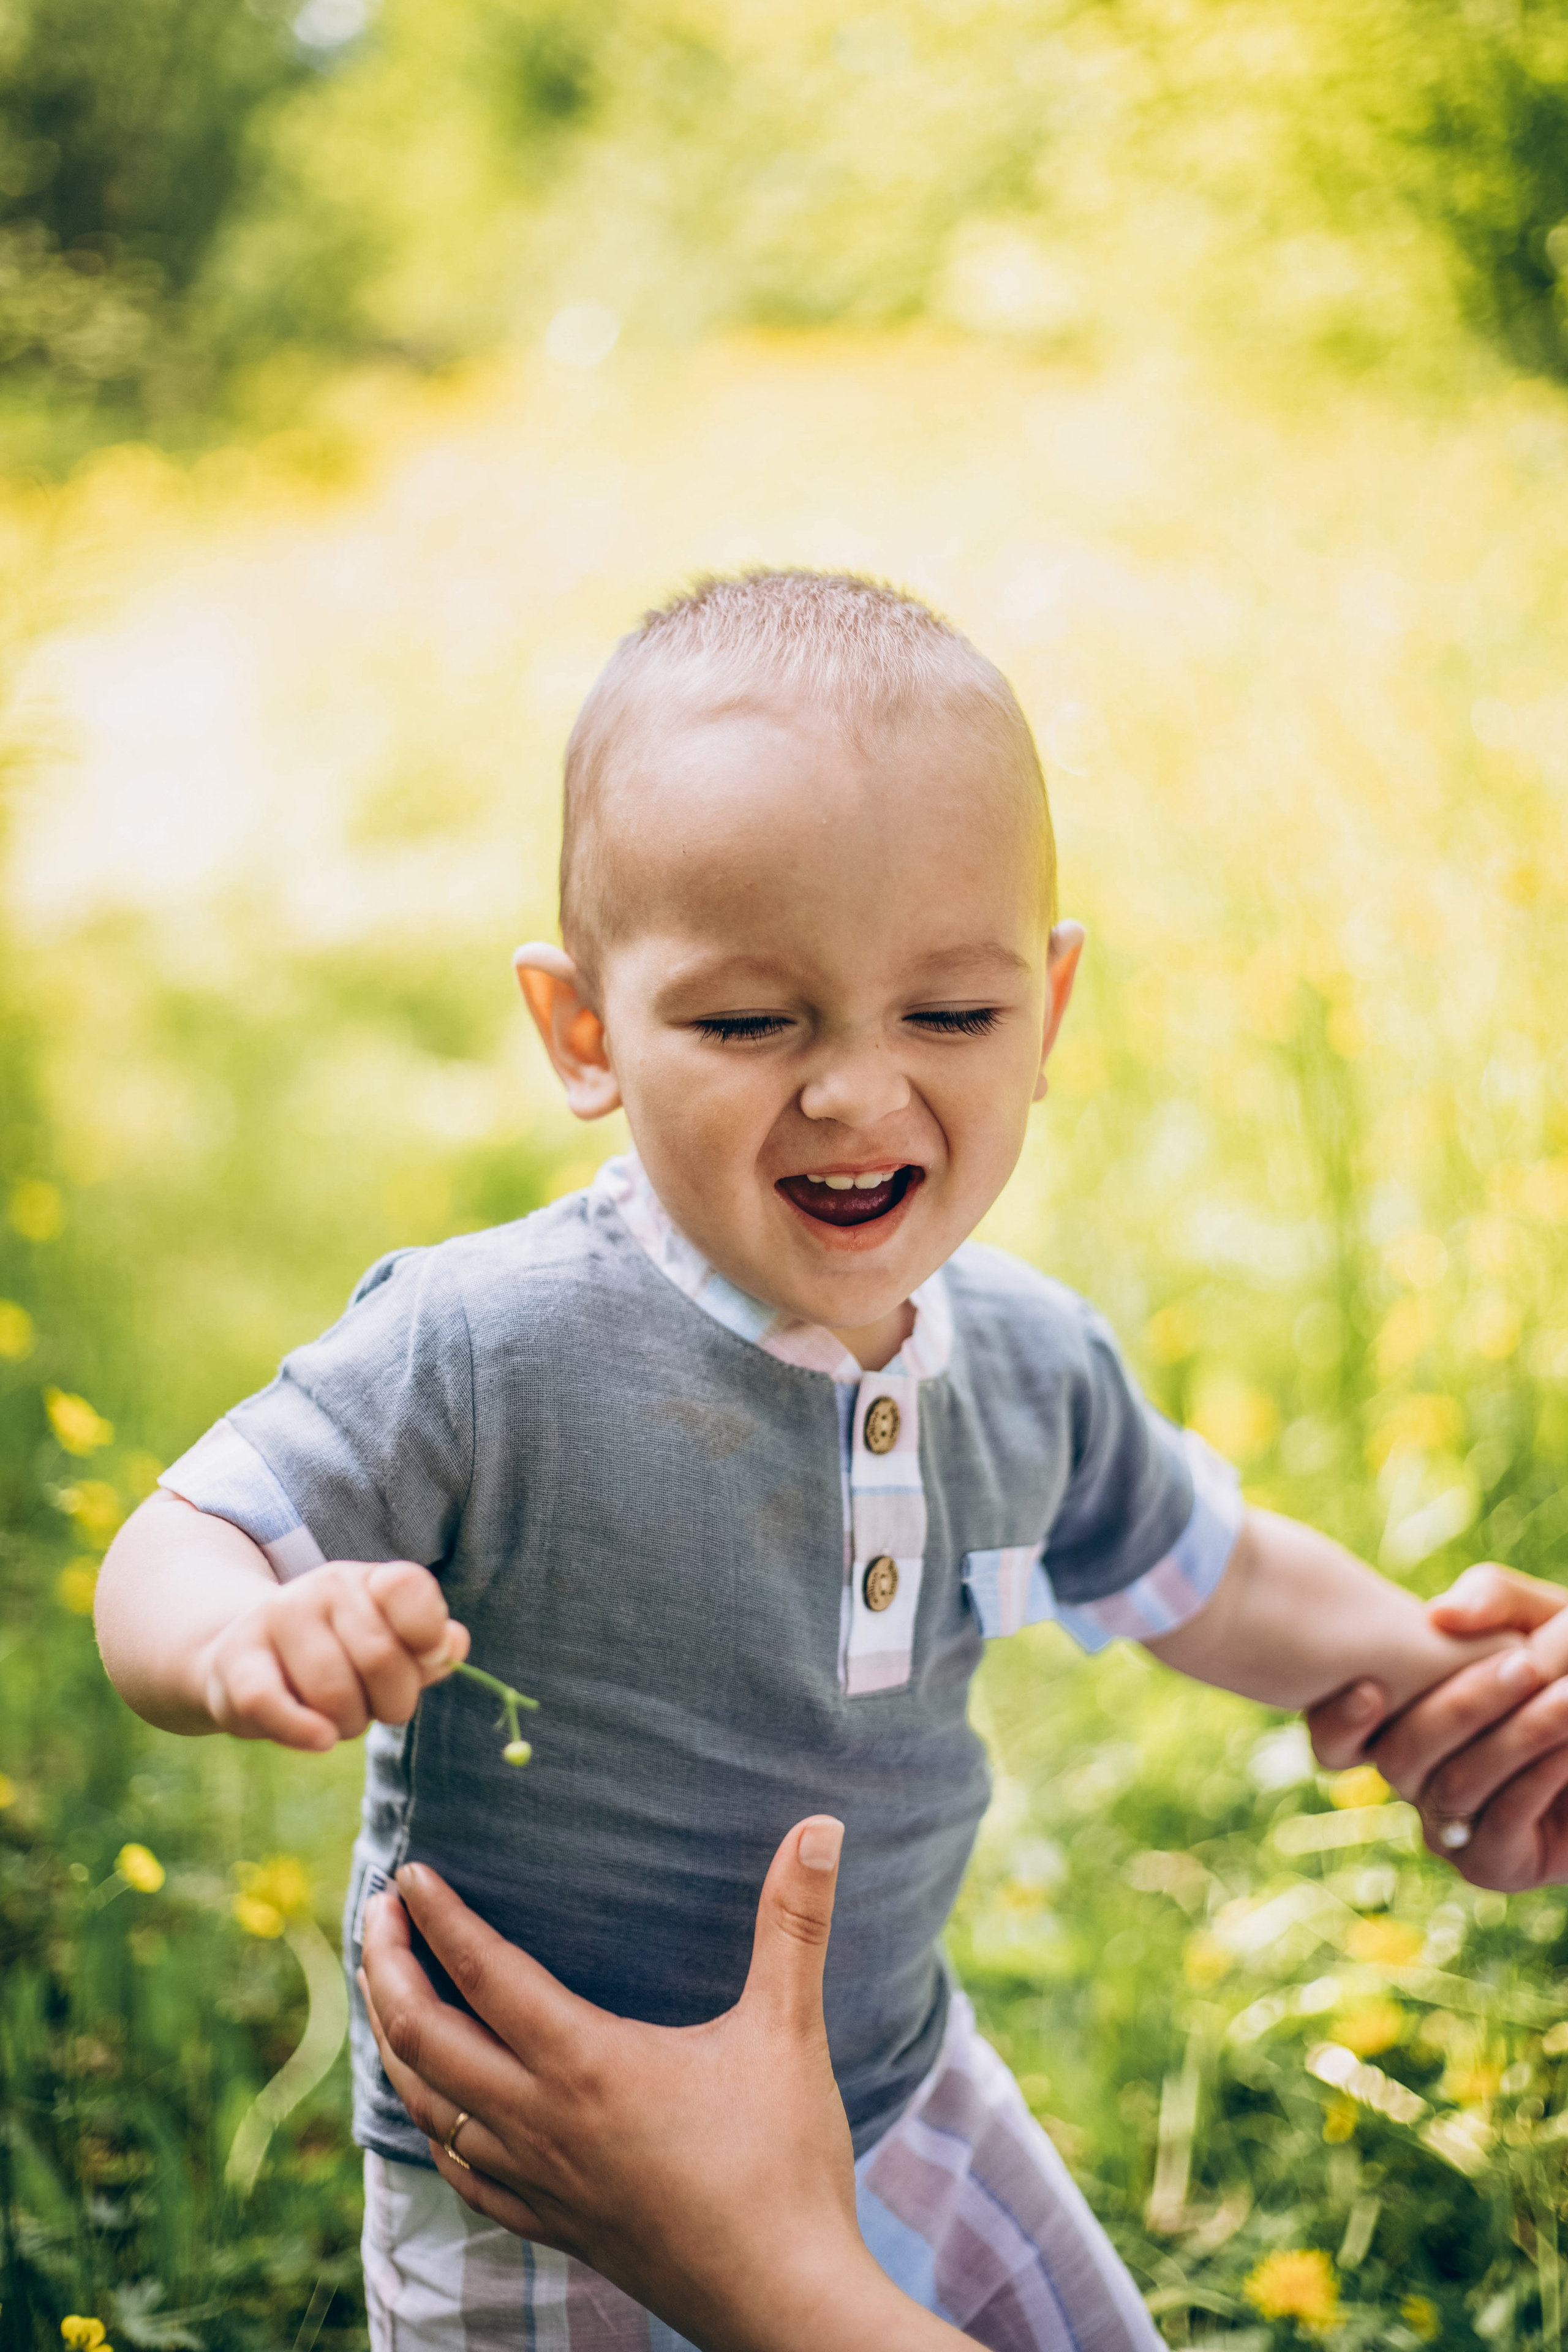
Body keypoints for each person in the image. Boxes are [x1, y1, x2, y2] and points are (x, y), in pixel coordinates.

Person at [93, 572, 1568, 2351]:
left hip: (900, 2085)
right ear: (584, 1033)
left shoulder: (1026, 1359)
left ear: (1052, 1000)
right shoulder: (487, 1348)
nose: (859, 1096)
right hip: (542, 2166)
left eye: (949, 1017)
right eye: (746, 1024)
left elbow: (1217, 1566)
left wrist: (1432, 1667)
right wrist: (239, 1633)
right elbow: (173, 1544)